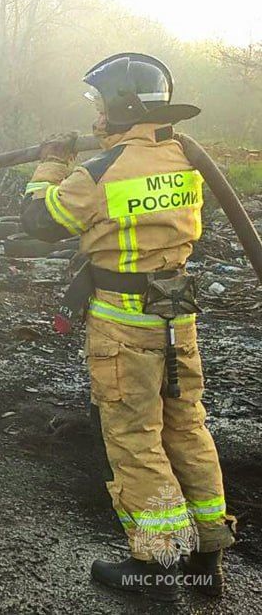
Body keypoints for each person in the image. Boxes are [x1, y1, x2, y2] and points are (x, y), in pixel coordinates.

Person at [21, 53, 235, 601]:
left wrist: (49, 165)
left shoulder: (98, 173)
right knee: (187, 427)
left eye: (98, 104)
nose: (93, 116)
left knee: (135, 438)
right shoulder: (182, 159)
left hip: (123, 323)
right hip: (177, 314)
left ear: (120, 107)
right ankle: (207, 557)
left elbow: (39, 223)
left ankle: (157, 564)